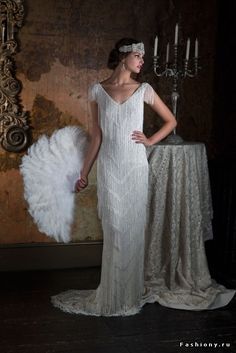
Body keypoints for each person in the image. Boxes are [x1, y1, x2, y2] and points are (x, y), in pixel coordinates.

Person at [51, 38, 177, 316]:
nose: (142, 61)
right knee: (114, 229)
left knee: (132, 230)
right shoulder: (97, 90)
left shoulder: (144, 89)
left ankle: (128, 295)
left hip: (134, 168)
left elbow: (171, 121)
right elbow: (96, 136)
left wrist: (150, 140)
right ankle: (111, 294)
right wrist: (83, 173)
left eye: (143, 57)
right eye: (138, 56)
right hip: (109, 168)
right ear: (123, 57)